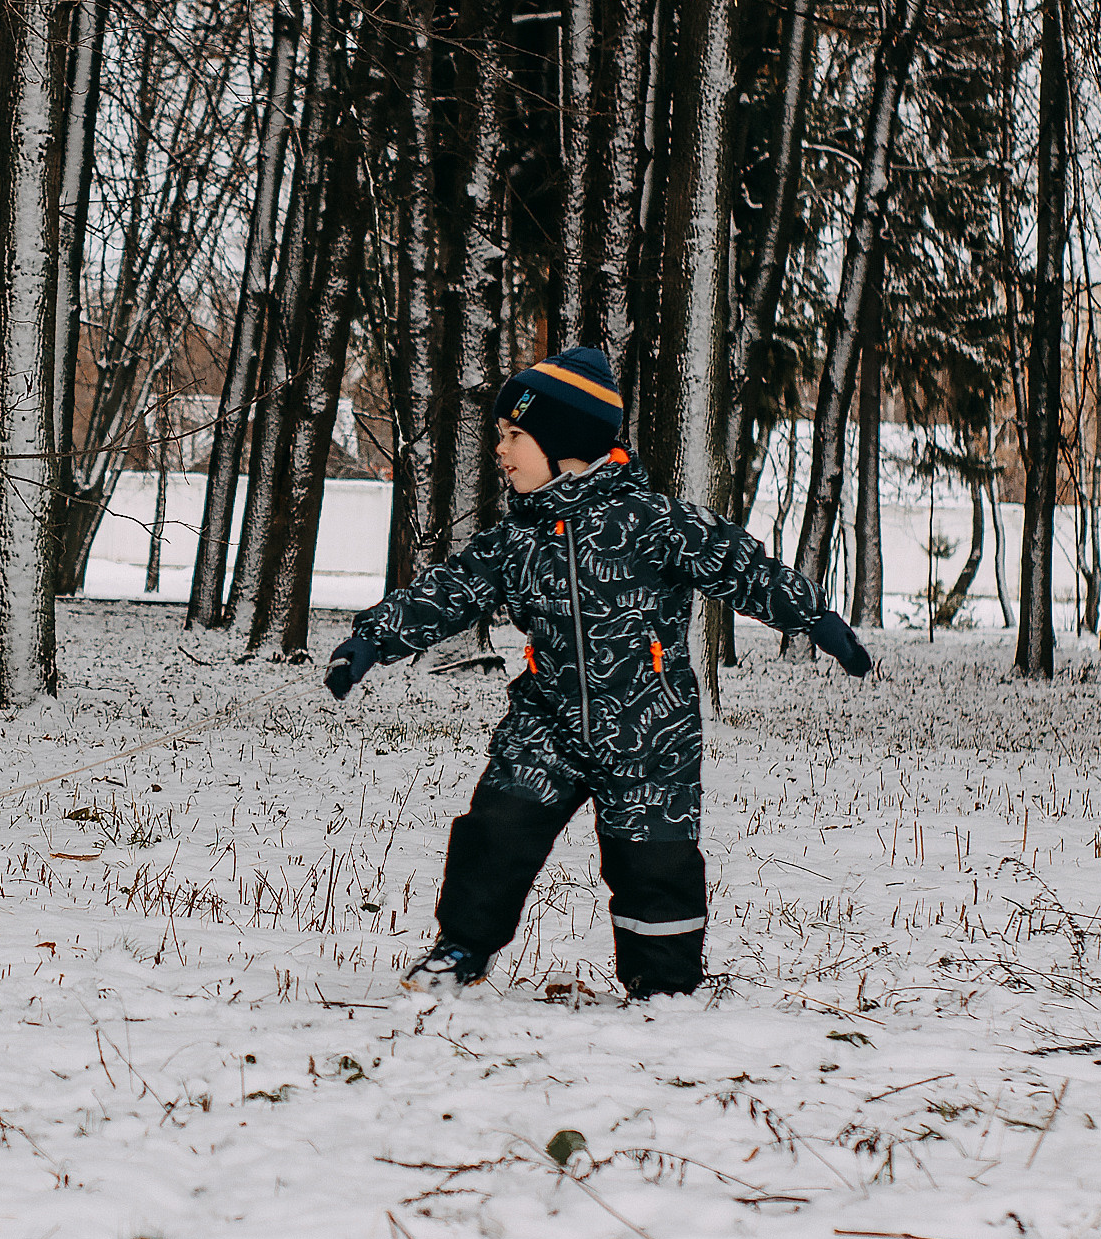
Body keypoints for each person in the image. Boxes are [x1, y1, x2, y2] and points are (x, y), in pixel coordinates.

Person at [324, 347, 872, 998]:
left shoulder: (655, 522)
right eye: (502, 434)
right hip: (547, 722)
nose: (502, 448)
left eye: (514, 434)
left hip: (649, 731)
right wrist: (369, 642)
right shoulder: (517, 539)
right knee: (494, 831)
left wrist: (819, 622)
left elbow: (745, 569)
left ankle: (663, 985)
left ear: (565, 442)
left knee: (655, 863)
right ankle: (461, 947)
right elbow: (447, 591)